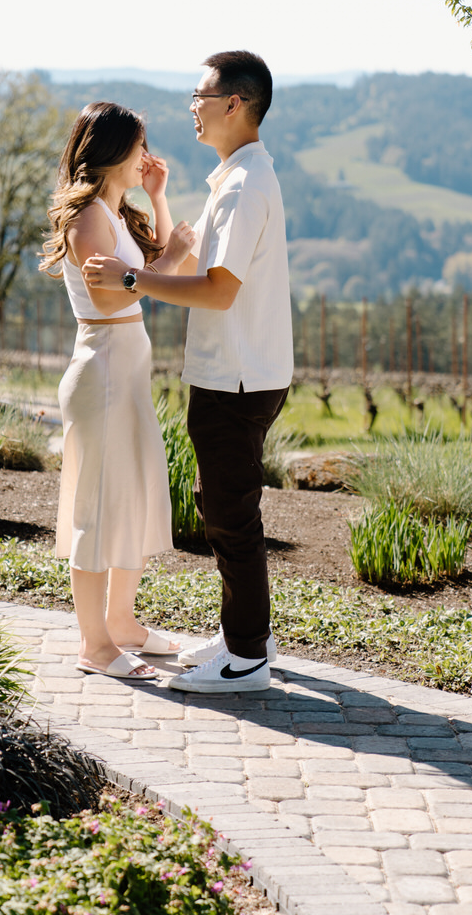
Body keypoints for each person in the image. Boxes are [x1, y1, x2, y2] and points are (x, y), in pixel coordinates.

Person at [83, 51, 293, 693]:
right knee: (221, 503)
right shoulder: (235, 179)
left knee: (230, 512)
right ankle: (240, 635)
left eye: (199, 97)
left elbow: (219, 288)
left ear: (234, 103)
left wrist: (130, 278)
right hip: (237, 370)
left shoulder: (244, 185)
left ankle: (248, 657)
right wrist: (160, 206)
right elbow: (185, 254)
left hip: (236, 375)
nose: (191, 108)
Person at [40, 101, 195, 681]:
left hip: (125, 373)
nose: (146, 156)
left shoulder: (117, 210)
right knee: (97, 510)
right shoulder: (85, 217)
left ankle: (124, 623)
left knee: (129, 498)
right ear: (110, 152)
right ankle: (95, 645)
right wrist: (173, 256)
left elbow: (153, 268)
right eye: (139, 148)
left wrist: (156, 195)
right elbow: (111, 297)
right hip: (101, 370)